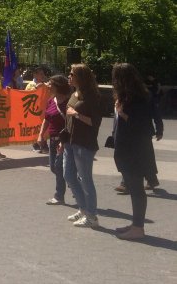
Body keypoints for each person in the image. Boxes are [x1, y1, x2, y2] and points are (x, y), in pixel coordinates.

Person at [111, 63, 157, 240]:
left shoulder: (138, 98)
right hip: (127, 150)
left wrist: (122, 113)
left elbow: (144, 127)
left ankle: (138, 228)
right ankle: (136, 224)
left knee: (137, 190)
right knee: (134, 188)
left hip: (136, 152)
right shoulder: (128, 97)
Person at [63, 64, 103, 229]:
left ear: (80, 77)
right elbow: (67, 118)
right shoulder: (74, 94)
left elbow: (95, 122)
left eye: (72, 74)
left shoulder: (92, 96)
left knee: (85, 179)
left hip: (84, 143)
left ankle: (92, 216)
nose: (69, 76)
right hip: (69, 141)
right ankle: (83, 208)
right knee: (68, 175)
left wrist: (76, 114)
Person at [38, 75, 71, 205]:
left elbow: (70, 123)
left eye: (51, 84)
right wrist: (41, 134)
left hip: (64, 140)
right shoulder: (51, 101)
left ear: (58, 86)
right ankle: (74, 181)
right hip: (52, 139)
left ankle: (59, 196)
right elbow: (46, 118)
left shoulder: (68, 103)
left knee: (59, 167)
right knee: (54, 167)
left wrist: (63, 142)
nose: (48, 86)